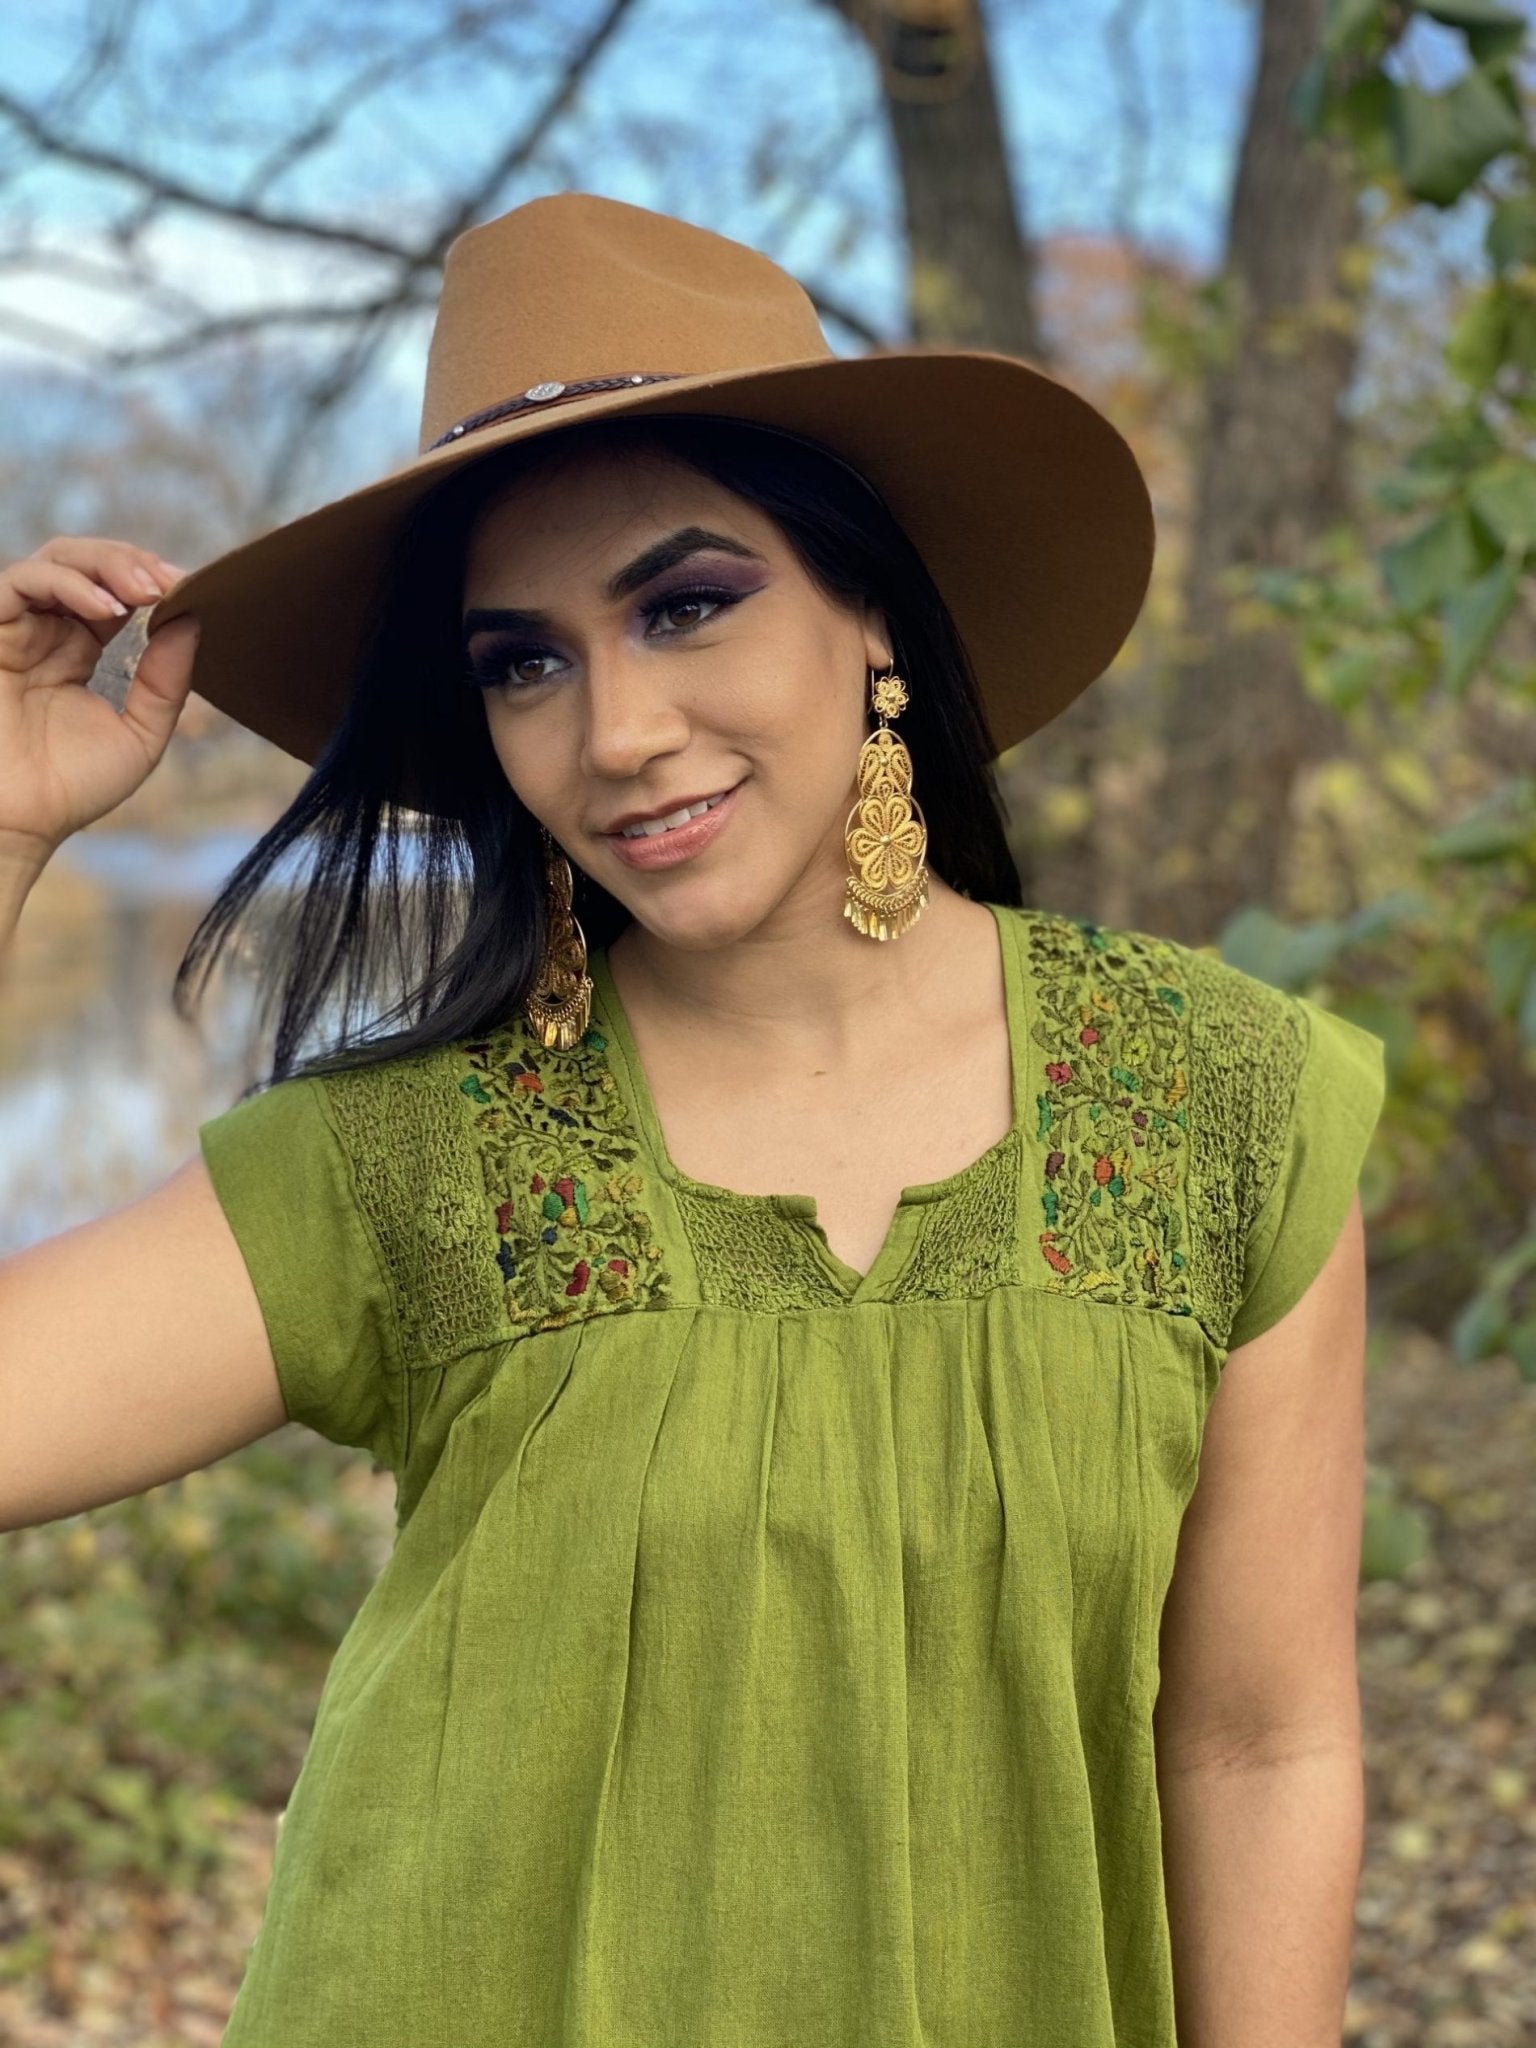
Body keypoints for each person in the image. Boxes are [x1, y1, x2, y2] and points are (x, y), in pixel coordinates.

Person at [0, 193, 1387, 2046]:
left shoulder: (1225, 1107)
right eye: (528, 660)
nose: (620, 727)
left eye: (687, 604)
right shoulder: (419, 1158)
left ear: (871, 607)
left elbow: (1258, 1743)